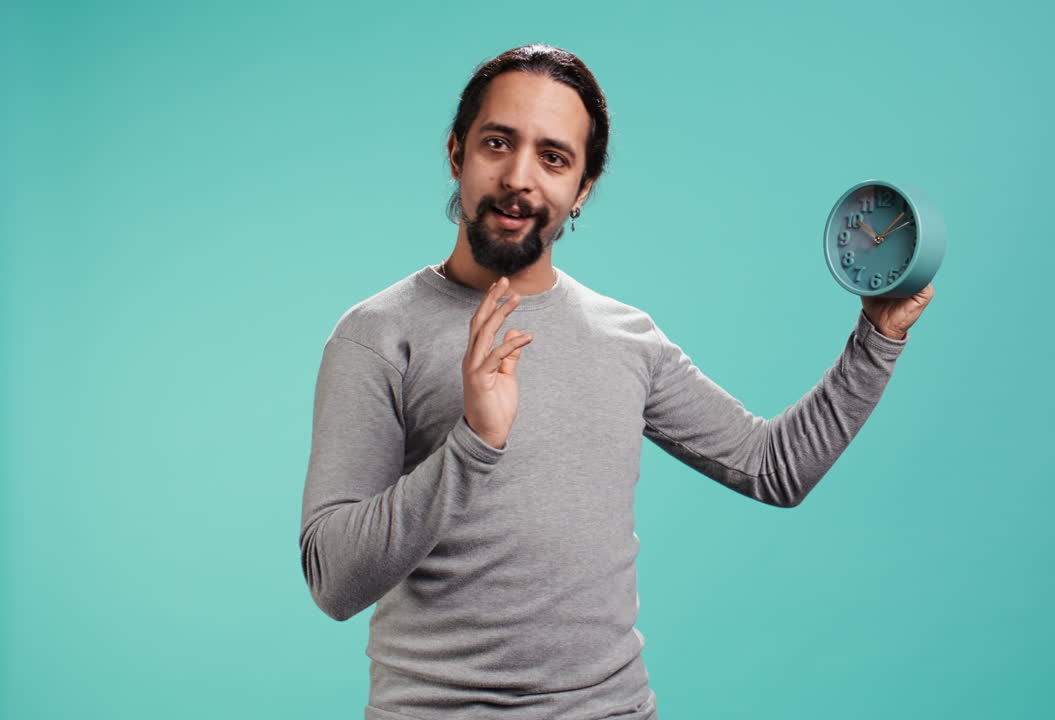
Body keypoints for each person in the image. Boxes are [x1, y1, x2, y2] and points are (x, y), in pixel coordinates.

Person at [299, 44, 934, 720]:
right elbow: (334, 581)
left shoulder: (625, 337)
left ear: (583, 189)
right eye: (497, 142)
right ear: (456, 153)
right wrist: (474, 441)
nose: (520, 177)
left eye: (554, 157)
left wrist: (880, 334)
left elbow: (775, 467)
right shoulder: (374, 335)